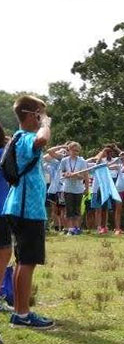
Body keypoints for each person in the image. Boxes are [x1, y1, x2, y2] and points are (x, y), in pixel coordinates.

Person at [1, 95, 57, 329]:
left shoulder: (18, 137)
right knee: (28, 262)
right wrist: (45, 123)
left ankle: (20, 312)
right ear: (29, 114)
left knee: (24, 260)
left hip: (22, 207)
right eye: (39, 113)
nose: (43, 117)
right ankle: (23, 315)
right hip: (27, 209)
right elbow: (42, 140)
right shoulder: (25, 137)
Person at [53, 142, 86, 235]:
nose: (75, 152)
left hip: (78, 189)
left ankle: (77, 228)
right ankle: (70, 229)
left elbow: (83, 176)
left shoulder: (82, 161)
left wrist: (76, 175)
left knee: (77, 209)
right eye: (74, 150)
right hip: (67, 188)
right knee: (69, 209)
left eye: (77, 151)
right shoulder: (64, 160)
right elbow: (62, 173)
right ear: (69, 150)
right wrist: (66, 174)